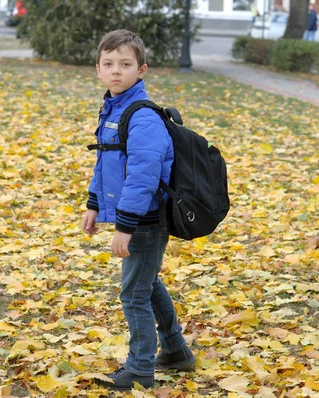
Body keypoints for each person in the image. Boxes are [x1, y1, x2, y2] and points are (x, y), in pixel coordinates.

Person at [83, 29, 196, 391]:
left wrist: (125, 226)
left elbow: (143, 177)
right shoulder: (112, 108)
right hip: (136, 218)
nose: (116, 71)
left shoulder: (142, 117)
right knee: (146, 285)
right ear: (98, 70)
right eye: (109, 64)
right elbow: (107, 164)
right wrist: (94, 203)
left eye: (125, 64)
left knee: (133, 294)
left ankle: (140, 367)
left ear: (141, 70)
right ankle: (176, 350)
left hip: (145, 220)